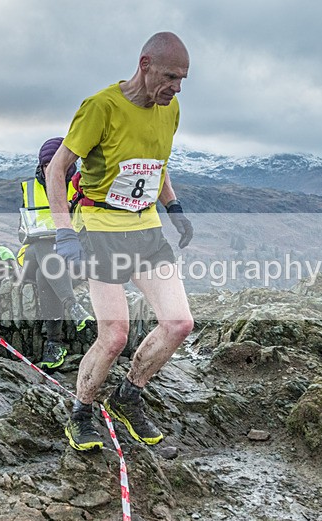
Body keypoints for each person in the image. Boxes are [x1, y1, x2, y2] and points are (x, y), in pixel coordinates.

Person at [45, 32, 195, 451]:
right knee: (114, 336)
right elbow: (56, 170)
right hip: (101, 230)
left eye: (182, 79)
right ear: (145, 65)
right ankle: (81, 412)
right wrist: (64, 230)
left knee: (179, 323)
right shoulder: (101, 107)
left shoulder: (171, 109)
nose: (176, 87)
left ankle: (129, 394)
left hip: (146, 230)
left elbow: (157, 163)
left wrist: (174, 207)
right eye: (170, 77)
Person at [17, 137, 96, 372]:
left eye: (56, 163)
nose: (51, 169)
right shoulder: (29, 188)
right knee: (43, 246)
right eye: (45, 165)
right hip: (32, 254)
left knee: (45, 274)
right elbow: (21, 231)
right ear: (39, 166)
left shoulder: (80, 187)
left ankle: (54, 344)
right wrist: (32, 232)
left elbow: (88, 229)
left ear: (69, 164)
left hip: (67, 260)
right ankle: (72, 307)